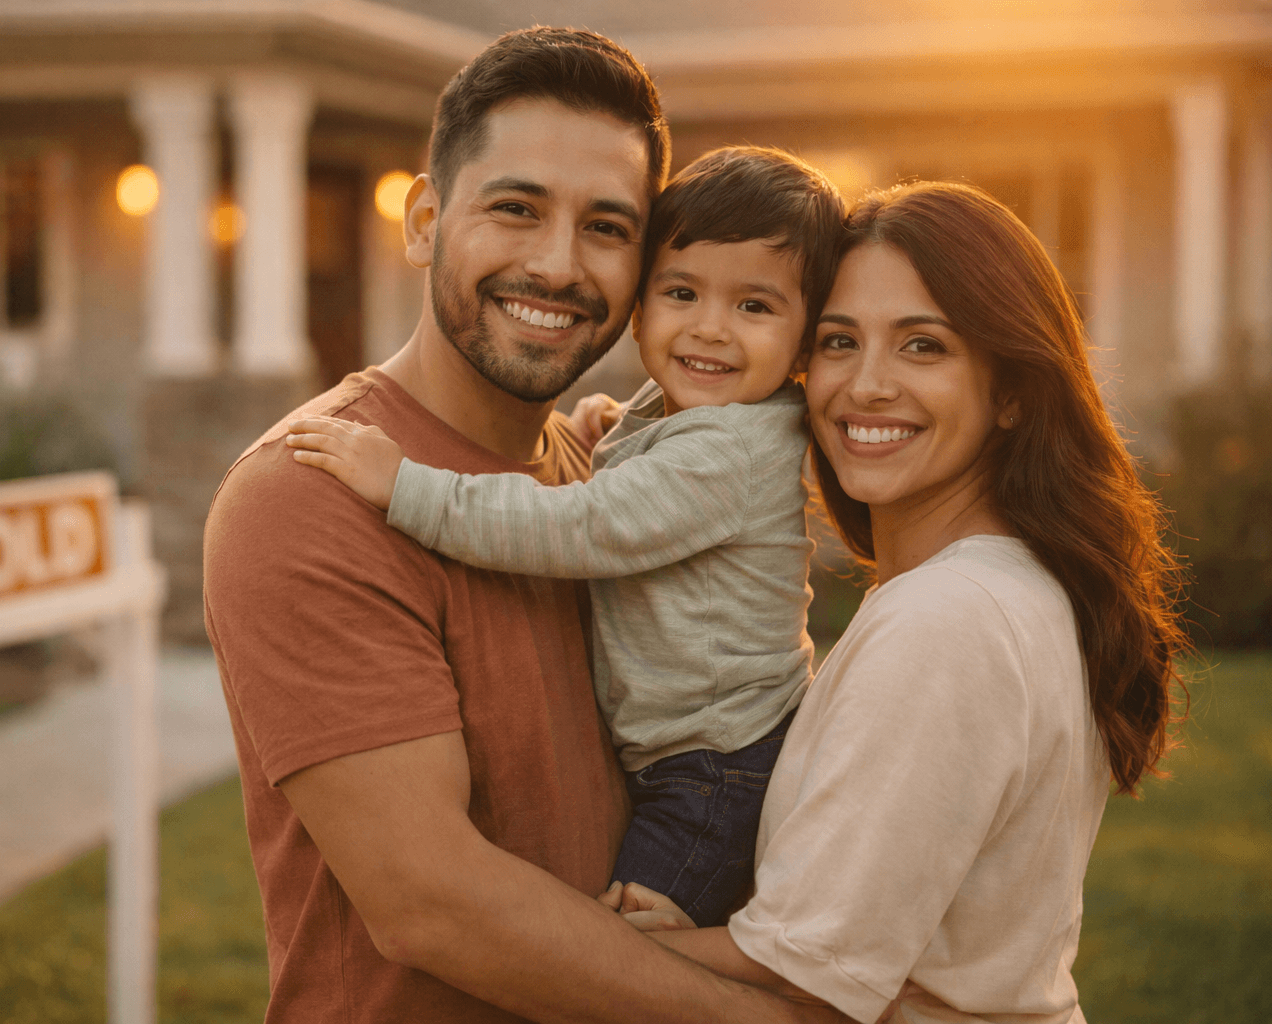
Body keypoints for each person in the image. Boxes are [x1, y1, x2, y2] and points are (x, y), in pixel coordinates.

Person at [204, 26, 850, 1024]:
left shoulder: (593, 464)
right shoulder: (315, 490)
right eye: (516, 209)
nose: (558, 265)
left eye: (606, 226)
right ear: (424, 220)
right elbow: (432, 905)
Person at [605, 181, 1190, 1024]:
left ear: (1015, 390)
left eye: (923, 347)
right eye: (839, 342)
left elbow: (800, 967)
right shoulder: (1001, 587)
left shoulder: (949, 620)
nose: (866, 386)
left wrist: (552, 933)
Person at [284, 145, 845, 927]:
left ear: (806, 338)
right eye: (682, 293)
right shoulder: (700, 415)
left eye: (754, 307)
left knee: (627, 959)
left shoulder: (734, 450)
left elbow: (578, 527)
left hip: (715, 774)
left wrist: (407, 488)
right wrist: (609, 435)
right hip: (698, 752)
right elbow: (653, 469)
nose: (710, 330)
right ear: (643, 302)